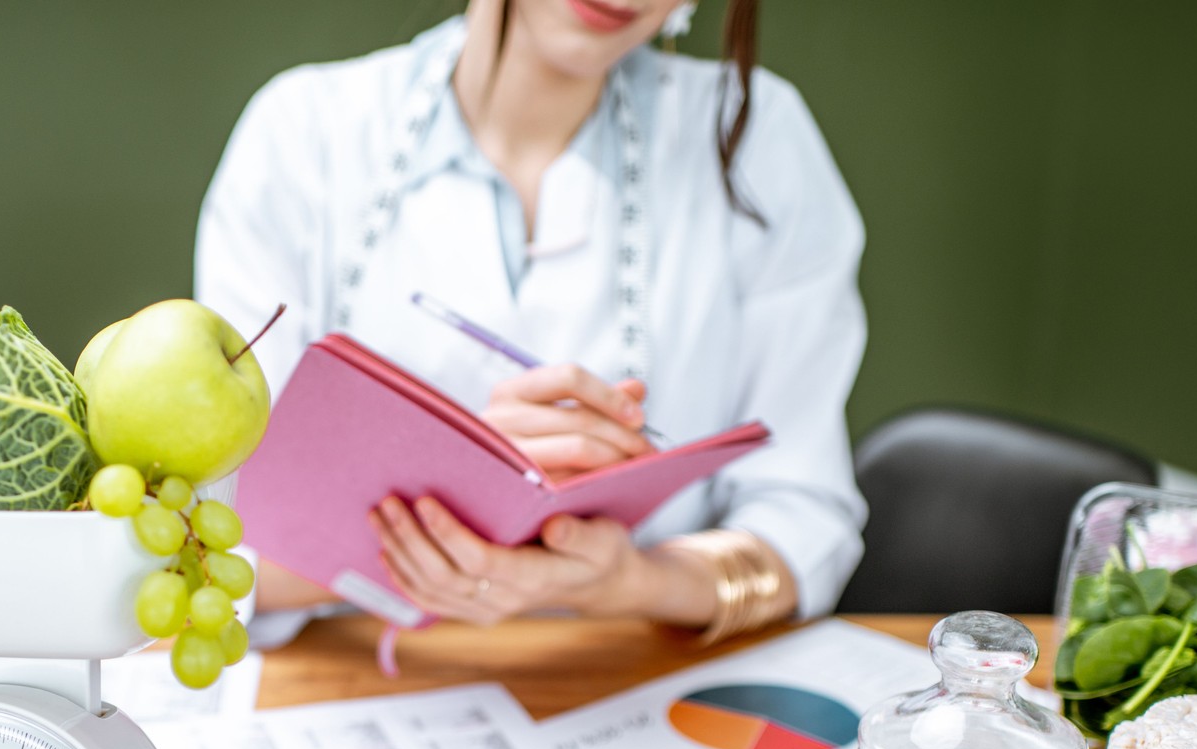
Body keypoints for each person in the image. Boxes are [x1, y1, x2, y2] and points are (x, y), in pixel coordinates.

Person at [196, 0, 868, 646]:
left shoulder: (754, 137)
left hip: (628, 686)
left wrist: (631, 580)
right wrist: (460, 497)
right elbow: (205, 547)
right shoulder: (303, 136)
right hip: (351, 689)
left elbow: (805, 522)